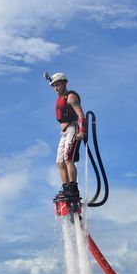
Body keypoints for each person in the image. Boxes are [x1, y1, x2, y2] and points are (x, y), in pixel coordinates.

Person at [48, 72, 86, 202]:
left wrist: (82, 131)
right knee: (60, 161)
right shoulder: (59, 99)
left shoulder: (71, 97)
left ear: (64, 83)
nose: (56, 88)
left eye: (58, 85)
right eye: (54, 86)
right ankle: (65, 188)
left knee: (68, 158)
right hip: (63, 132)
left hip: (72, 129)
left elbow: (81, 115)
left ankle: (73, 189)